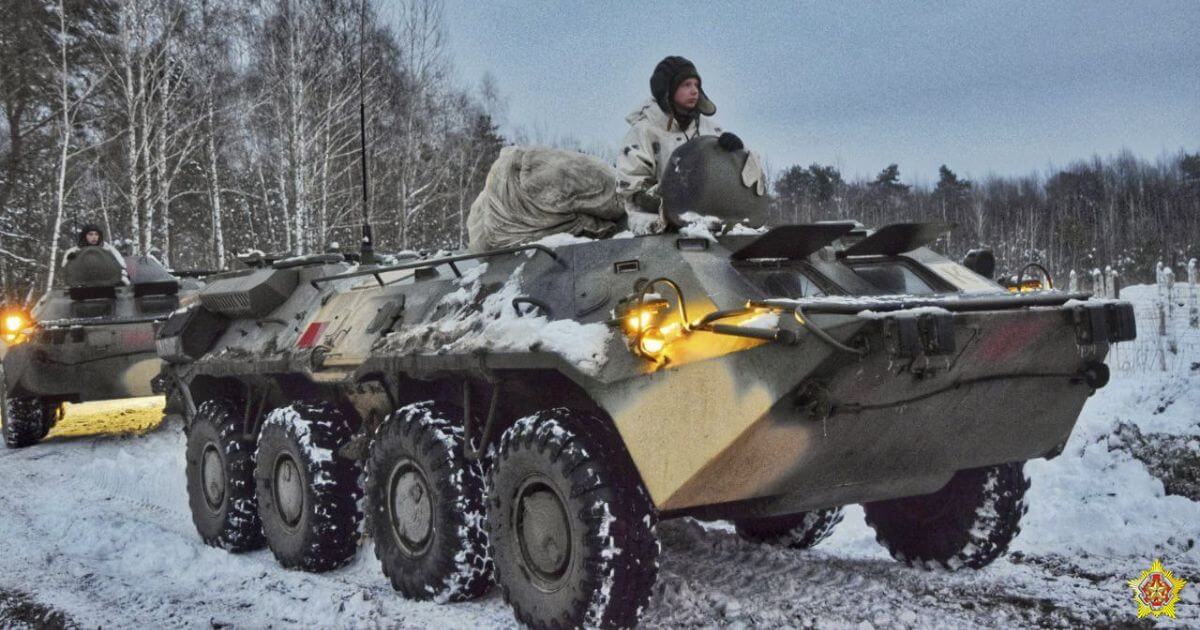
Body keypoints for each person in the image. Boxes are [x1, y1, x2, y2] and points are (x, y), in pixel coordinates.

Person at [616, 55, 745, 233]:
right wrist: (673, 204)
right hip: (656, 222)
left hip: (711, 220)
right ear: (668, 89)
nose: (694, 91)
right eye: (686, 85)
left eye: (696, 85)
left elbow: (738, 181)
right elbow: (634, 190)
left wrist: (735, 154)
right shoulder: (644, 132)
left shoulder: (711, 131)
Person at [62, 224, 129, 284]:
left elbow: (121, 266)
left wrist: (122, 280)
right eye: (90, 234)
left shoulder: (108, 249)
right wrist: (71, 259)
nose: (94, 237)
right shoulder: (75, 251)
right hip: (83, 284)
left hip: (107, 283)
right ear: (84, 236)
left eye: (96, 234)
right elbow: (67, 269)